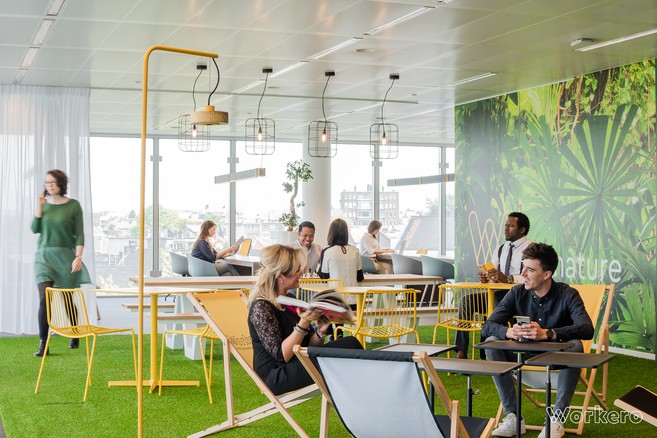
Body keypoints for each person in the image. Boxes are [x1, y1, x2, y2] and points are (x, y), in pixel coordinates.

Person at [482, 242, 594, 438]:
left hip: (558, 359)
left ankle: (556, 420)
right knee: (492, 342)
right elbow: (487, 326)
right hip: (523, 357)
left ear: (547, 274)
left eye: (530, 270)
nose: (523, 274)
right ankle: (513, 417)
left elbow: (586, 329)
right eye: (523, 267)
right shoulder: (517, 292)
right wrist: (509, 332)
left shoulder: (568, 294)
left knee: (576, 345)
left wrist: (548, 333)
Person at [248, 244, 362, 395]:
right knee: (349, 349)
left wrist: (320, 331)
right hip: (275, 374)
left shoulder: (288, 299)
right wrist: (303, 322)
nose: (301, 273)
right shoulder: (261, 307)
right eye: (297, 270)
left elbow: (308, 345)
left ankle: (355, 394)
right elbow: (282, 356)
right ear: (280, 277)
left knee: (350, 344)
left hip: (297, 360)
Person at [31, 169, 92, 357]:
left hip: (66, 257)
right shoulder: (44, 205)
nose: (49, 185)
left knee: (67, 299)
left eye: (53, 182)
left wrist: (78, 257)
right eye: (47, 182)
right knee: (45, 298)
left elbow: (79, 234)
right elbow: (35, 228)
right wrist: (39, 208)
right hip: (44, 258)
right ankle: (44, 344)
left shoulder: (73, 206)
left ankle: (74, 331)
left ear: (61, 184)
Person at [456, 212, 532, 359]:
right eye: (506, 225)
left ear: (522, 230)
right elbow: (494, 275)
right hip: (496, 293)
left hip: (520, 298)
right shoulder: (501, 248)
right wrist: (487, 277)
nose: (506, 229)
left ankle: (488, 348)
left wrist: (508, 279)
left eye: (511, 226)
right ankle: (461, 351)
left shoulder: (531, 249)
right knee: (466, 301)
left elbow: (531, 277)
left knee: (497, 302)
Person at [319, 219, 364, 287]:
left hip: (336, 292)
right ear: (346, 233)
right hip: (354, 292)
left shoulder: (327, 252)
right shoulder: (356, 251)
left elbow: (324, 278)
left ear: (331, 233)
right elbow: (360, 277)